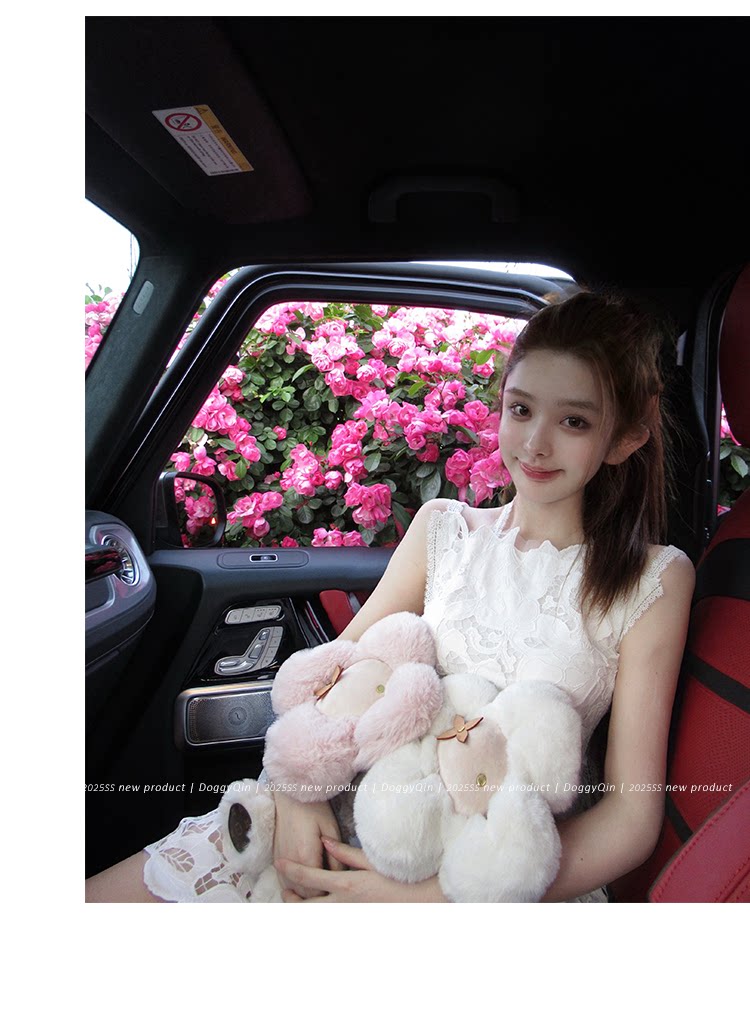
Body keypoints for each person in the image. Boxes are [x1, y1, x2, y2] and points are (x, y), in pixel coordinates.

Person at [85, 291, 695, 903]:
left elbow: (631, 819)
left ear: (624, 439)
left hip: (482, 877)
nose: (535, 443)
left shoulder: (654, 580)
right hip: (330, 816)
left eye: (574, 422)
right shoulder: (443, 528)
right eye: (521, 408)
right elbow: (338, 673)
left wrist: (421, 901)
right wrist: (298, 790)